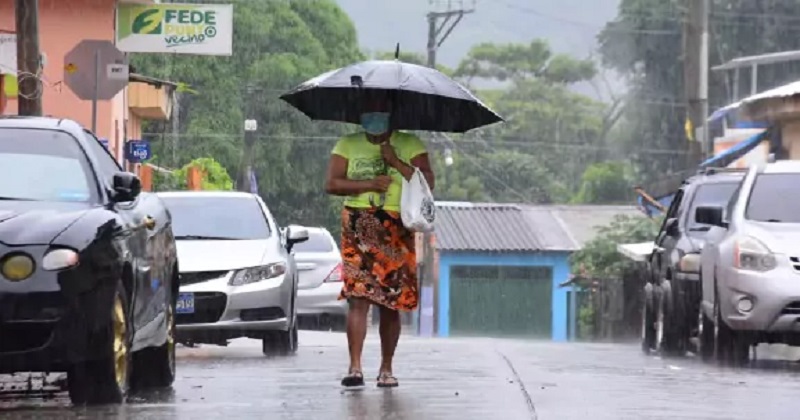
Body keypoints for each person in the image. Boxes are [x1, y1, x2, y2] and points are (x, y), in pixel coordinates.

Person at [324, 93, 435, 388]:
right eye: (368, 111)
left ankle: (386, 368)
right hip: (359, 223)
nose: (374, 116)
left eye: (380, 111)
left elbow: (428, 183)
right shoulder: (347, 144)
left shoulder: (410, 144)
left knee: (391, 301)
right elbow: (333, 183)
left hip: (396, 226)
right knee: (358, 297)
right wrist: (369, 184)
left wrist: (395, 162)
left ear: (391, 114)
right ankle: (355, 367)